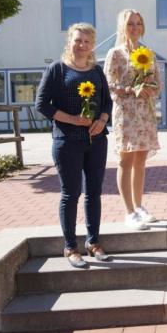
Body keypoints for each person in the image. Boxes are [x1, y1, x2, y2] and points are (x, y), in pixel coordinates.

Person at [35, 23, 113, 268]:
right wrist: (73, 120)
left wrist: (102, 119)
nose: (82, 45)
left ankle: (93, 242)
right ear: (69, 41)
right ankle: (70, 247)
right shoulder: (57, 69)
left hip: (96, 141)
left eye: (87, 41)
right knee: (71, 194)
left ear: (92, 45)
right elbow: (41, 104)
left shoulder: (97, 71)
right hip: (66, 141)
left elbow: (107, 102)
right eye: (77, 40)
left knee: (94, 193)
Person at [103, 9, 163, 230]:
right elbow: (108, 84)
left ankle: (139, 207)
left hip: (145, 114)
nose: (135, 28)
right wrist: (131, 89)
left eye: (138, 23)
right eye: (130, 24)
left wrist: (150, 89)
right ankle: (129, 211)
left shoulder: (149, 53)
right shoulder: (115, 53)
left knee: (141, 162)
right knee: (125, 161)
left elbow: (158, 81)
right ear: (122, 27)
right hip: (126, 115)